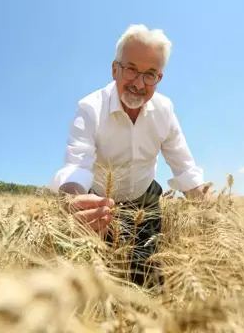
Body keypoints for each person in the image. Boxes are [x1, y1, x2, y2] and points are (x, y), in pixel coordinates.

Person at [49, 24, 208, 287]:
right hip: (99, 206)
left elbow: (185, 168)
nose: (138, 83)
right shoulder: (90, 108)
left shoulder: (165, 111)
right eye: (131, 69)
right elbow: (76, 166)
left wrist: (215, 216)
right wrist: (75, 202)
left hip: (146, 203)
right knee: (98, 284)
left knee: (148, 283)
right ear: (115, 69)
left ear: (159, 79)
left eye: (150, 74)